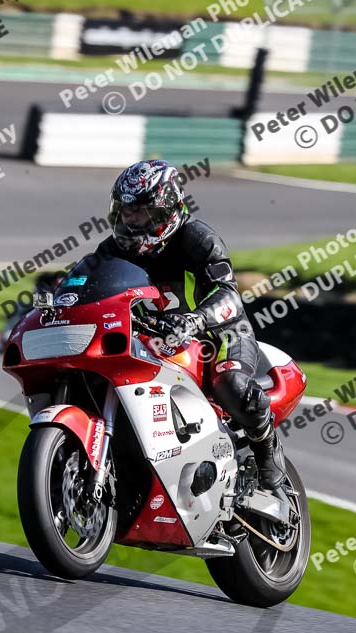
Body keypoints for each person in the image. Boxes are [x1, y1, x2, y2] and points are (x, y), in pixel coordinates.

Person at [96, 159, 286, 491]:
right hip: (156, 337)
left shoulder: (197, 238)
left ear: (164, 210)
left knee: (232, 385)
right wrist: (59, 296)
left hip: (220, 333)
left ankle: (268, 454)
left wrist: (194, 319)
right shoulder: (115, 249)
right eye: (125, 211)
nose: (129, 219)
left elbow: (229, 295)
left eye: (138, 211)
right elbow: (87, 280)